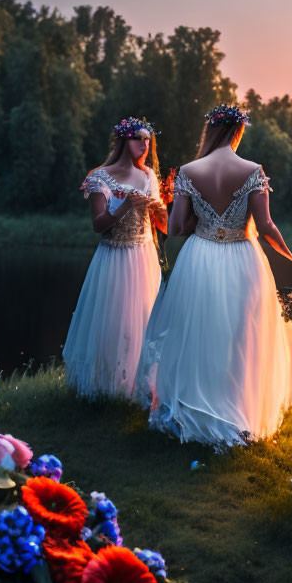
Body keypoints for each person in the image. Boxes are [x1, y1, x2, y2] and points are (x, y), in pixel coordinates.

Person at [135, 104, 292, 446]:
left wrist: (186, 209)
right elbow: (266, 226)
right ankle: (235, 411)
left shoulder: (188, 170)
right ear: (238, 131)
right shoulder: (253, 170)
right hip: (242, 259)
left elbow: (177, 228)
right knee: (238, 337)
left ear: (211, 131)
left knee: (196, 332)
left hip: (198, 257)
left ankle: (194, 407)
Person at [63, 117, 167, 398]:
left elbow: (163, 224)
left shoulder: (148, 176)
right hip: (114, 258)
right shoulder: (99, 176)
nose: (144, 145)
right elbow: (98, 224)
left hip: (144, 255)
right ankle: (106, 388)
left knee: (144, 320)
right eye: (138, 139)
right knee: (113, 321)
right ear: (124, 141)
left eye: (147, 140)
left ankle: (140, 386)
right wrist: (124, 207)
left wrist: (158, 206)